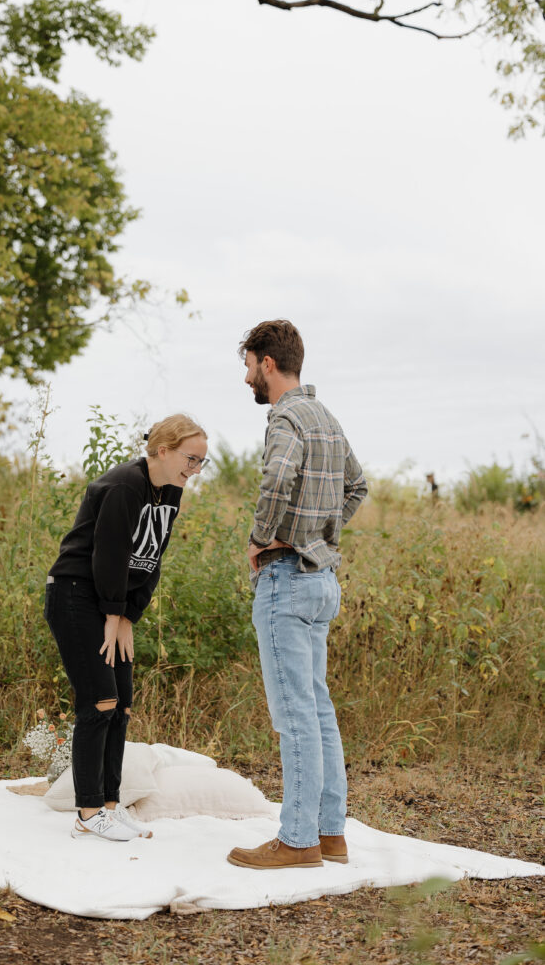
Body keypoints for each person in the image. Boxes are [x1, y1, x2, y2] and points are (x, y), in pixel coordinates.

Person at [227, 320, 367, 870]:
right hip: (322, 580)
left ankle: (298, 840)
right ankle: (330, 833)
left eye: (248, 365)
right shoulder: (326, 418)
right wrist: (321, 535)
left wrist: (264, 539)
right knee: (318, 708)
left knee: (295, 716)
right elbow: (357, 485)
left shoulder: (285, 416)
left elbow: (277, 478)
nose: (246, 378)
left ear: (267, 362)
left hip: (288, 579)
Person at [44, 414, 209, 841]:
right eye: (190, 459)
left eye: (201, 462)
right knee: (99, 701)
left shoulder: (170, 491)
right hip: (77, 594)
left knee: (122, 705)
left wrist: (129, 616)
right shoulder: (125, 485)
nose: (194, 469)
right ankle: (87, 811)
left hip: (112, 602)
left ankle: (110, 807)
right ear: (162, 450)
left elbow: (152, 558)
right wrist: (113, 617)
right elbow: (110, 554)